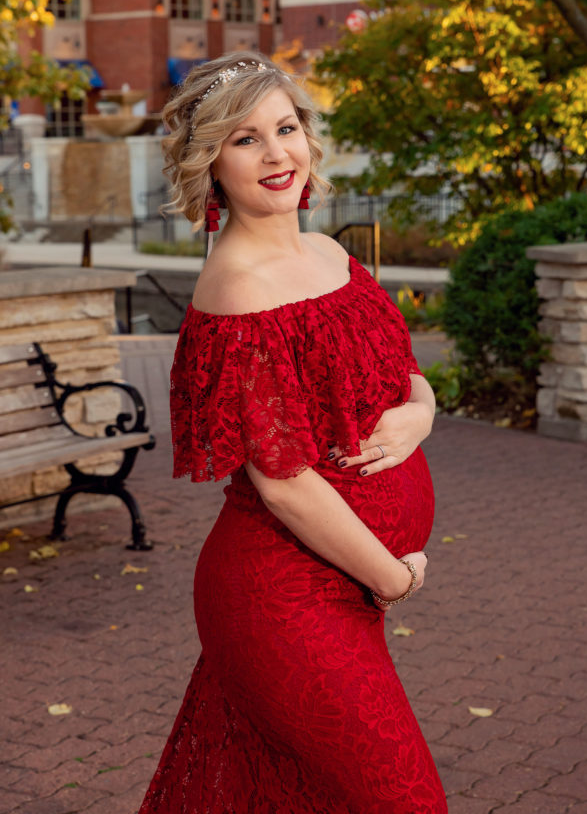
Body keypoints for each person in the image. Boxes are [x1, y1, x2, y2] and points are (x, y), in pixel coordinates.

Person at [138, 51, 447, 814]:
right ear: (210, 162)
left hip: (345, 586)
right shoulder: (237, 286)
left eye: (285, 128)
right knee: (404, 801)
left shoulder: (331, 254)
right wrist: (390, 577)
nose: (277, 154)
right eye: (245, 139)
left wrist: (420, 411)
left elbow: (402, 373)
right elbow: (281, 480)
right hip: (283, 595)